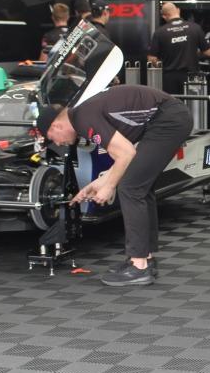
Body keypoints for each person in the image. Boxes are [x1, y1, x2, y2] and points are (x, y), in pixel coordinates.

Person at [37, 85, 192, 286]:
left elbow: (126, 154)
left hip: (168, 120)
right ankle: (145, 258)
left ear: (56, 126)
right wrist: (97, 183)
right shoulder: (82, 114)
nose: (58, 144)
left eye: (52, 139)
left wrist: (110, 187)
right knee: (140, 187)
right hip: (167, 117)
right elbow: (122, 158)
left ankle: (139, 266)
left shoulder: (83, 119)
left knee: (130, 188)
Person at [148, 1, 210, 94]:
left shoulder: (159, 32)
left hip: (169, 78)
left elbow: (151, 59)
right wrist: (193, 54)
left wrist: (163, 64)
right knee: (192, 102)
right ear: (178, 10)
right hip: (191, 77)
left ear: (164, 16)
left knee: (172, 102)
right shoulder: (195, 28)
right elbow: (208, 53)